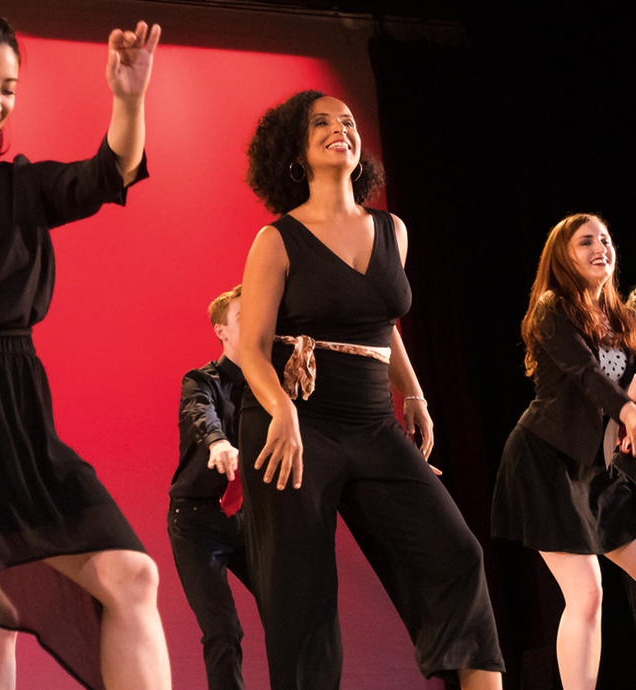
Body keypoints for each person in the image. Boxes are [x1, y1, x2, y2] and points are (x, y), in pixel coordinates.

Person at [238, 89, 505, 690]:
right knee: (301, 601)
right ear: (295, 152)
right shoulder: (277, 240)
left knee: (457, 556)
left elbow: (380, 322)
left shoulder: (392, 230)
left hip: (371, 421)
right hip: (297, 425)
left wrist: (413, 394)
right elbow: (251, 347)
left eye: (348, 121)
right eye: (321, 123)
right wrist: (281, 409)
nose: (341, 128)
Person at [0, 16, 171, 690]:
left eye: (8, 88)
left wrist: (129, 99)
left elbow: (108, 173)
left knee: (132, 577)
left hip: (19, 420)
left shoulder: (21, 186)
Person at [491, 213, 636, 690]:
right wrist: (627, 412)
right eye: (585, 242)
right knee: (587, 594)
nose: (600, 248)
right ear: (562, 258)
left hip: (598, 468)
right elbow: (586, 375)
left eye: (605, 240)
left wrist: (629, 411)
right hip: (546, 460)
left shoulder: (622, 319)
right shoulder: (551, 310)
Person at [167, 285, 253, 690]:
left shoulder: (271, 385)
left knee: (291, 612)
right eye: (242, 318)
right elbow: (199, 411)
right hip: (196, 522)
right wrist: (217, 442)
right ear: (221, 331)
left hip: (249, 519)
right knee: (223, 631)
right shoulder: (201, 380)